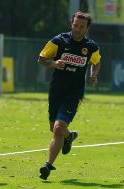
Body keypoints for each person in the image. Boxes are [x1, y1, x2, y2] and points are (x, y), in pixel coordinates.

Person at [38, 12, 101, 180]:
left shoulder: (91, 46)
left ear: (87, 28)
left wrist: (94, 75)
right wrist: (53, 63)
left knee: (59, 128)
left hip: (74, 94)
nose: (77, 29)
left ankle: (48, 165)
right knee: (55, 129)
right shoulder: (59, 41)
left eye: (81, 27)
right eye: (75, 25)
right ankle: (69, 136)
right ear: (71, 24)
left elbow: (96, 61)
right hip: (56, 91)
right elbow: (41, 58)